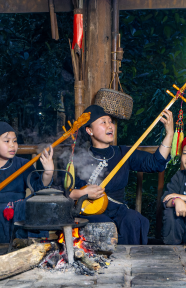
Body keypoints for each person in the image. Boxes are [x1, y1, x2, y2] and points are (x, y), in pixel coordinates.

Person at [69, 105, 173, 245]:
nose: (110, 126)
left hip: (118, 209)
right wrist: (83, 193)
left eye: (110, 121)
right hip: (89, 211)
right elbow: (61, 191)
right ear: (89, 130)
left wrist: (169, 134)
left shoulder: (123, 153)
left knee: (134, 220)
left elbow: (156, 163)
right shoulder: (77, 157)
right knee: (103, 224)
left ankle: (131, 262)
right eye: (103, 122)